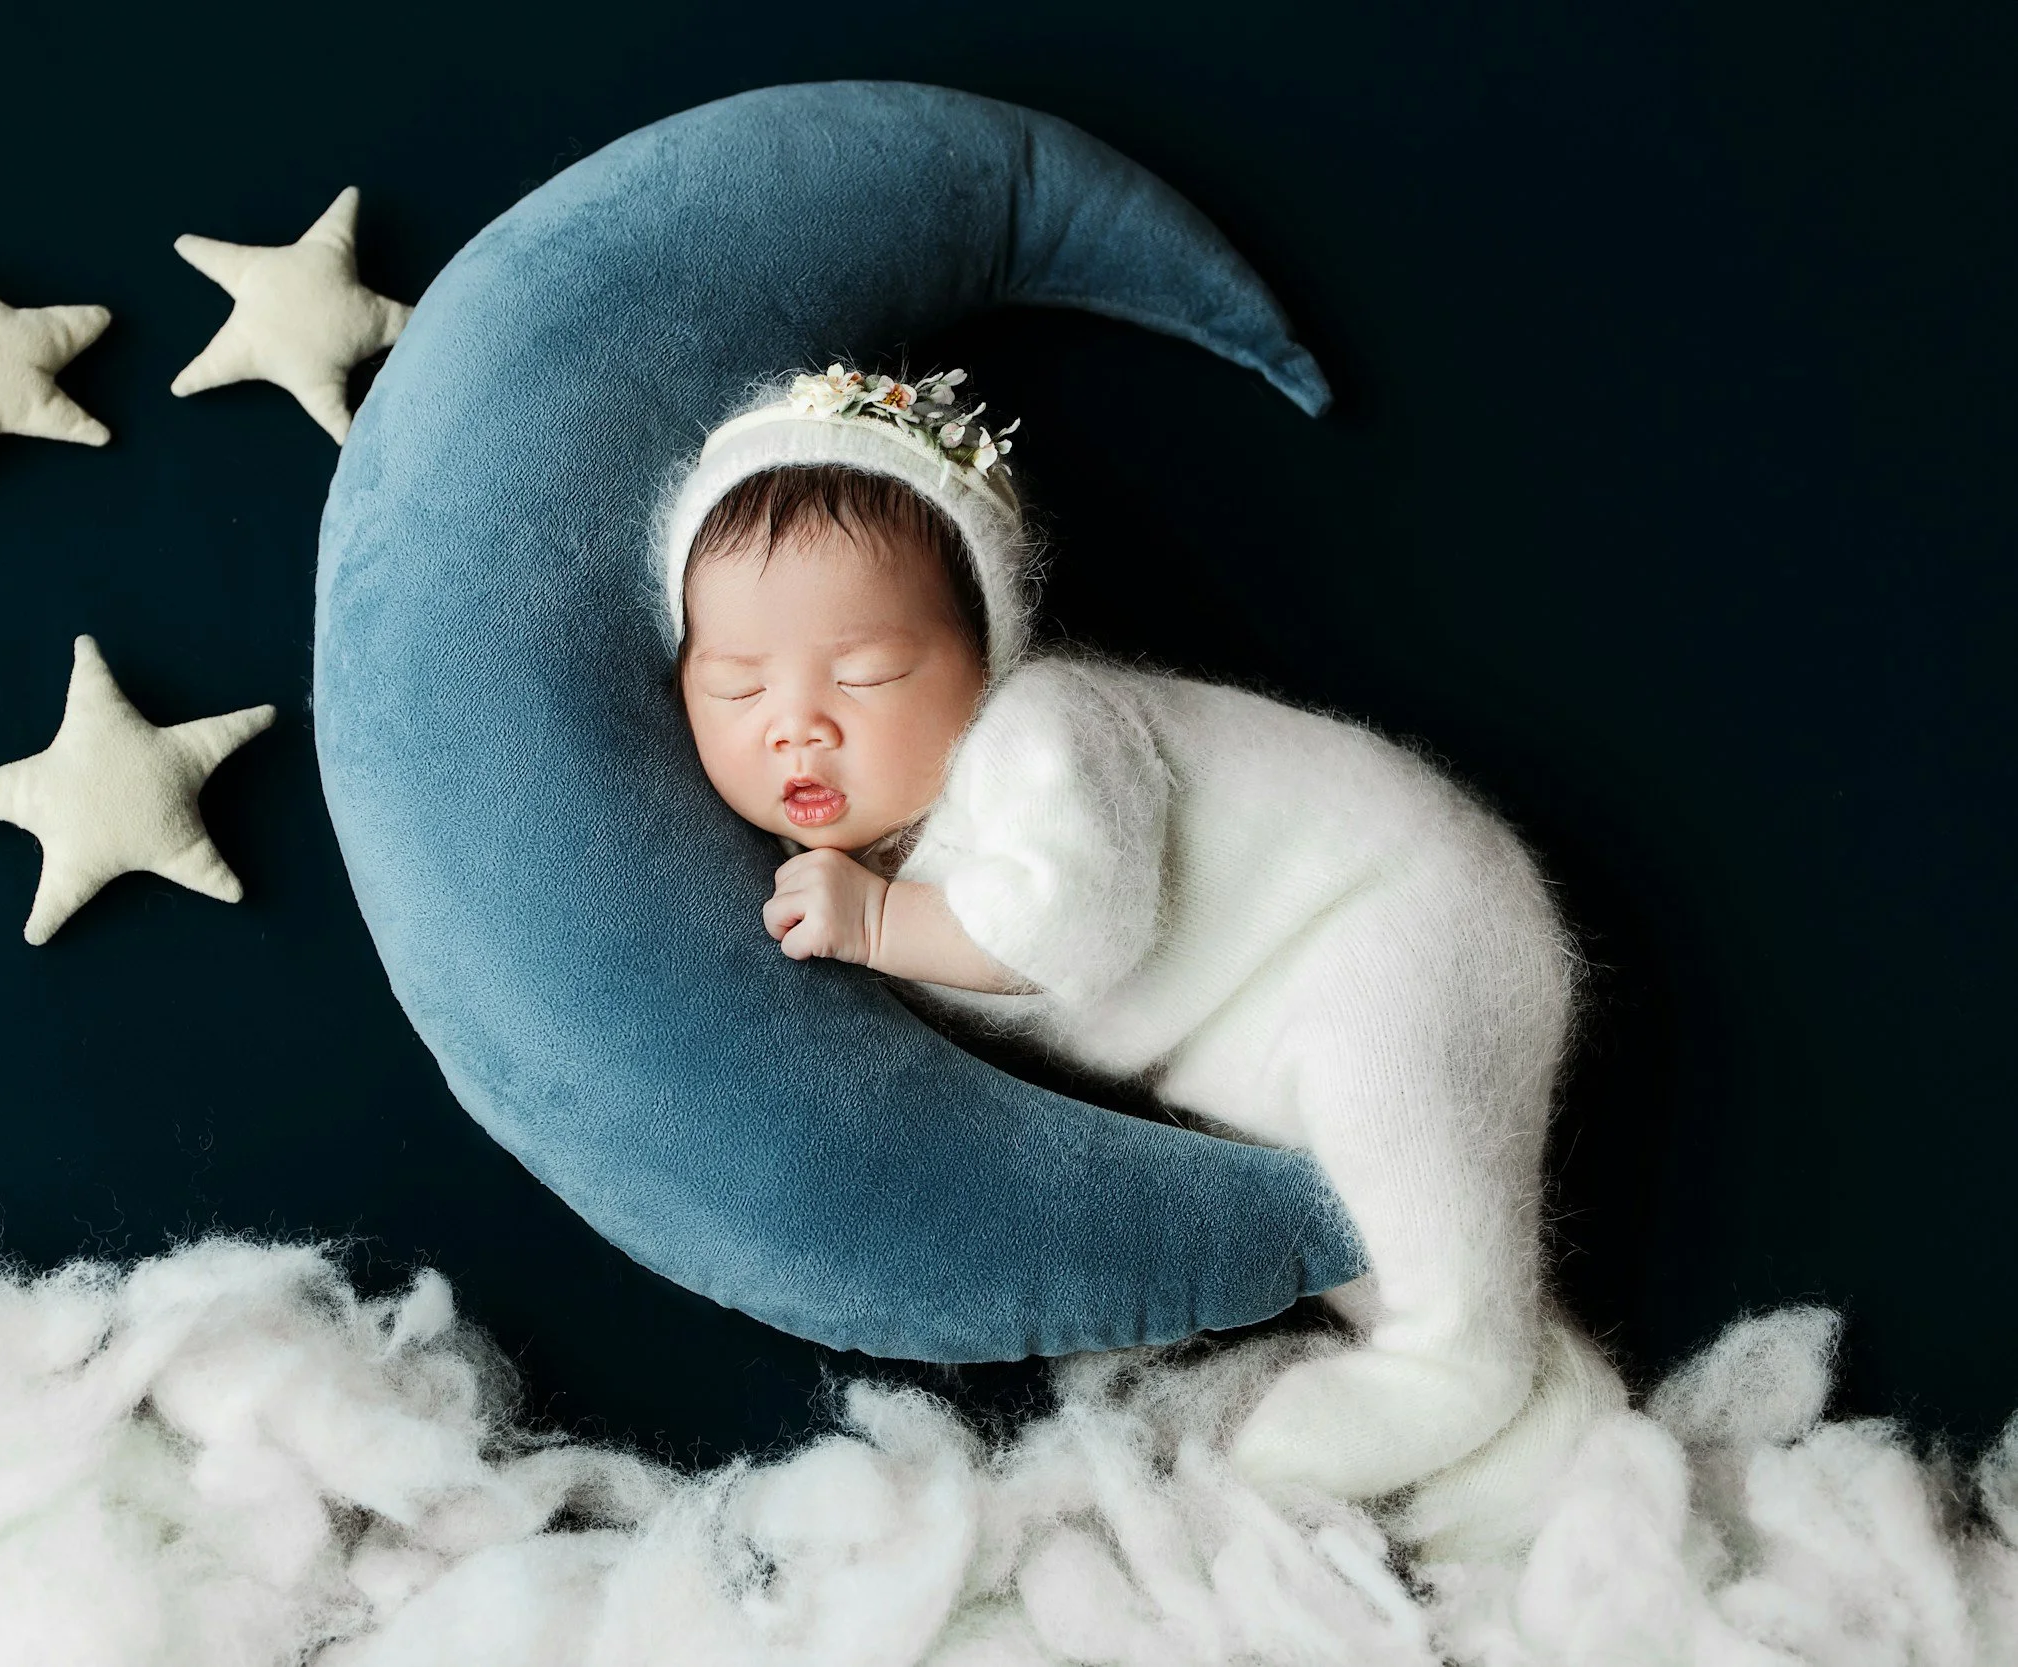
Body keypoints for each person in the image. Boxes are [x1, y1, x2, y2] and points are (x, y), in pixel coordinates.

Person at [656, 364, 1625, 1553]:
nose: (796, 720)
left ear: (983, 655)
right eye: (735, 683)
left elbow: (1073, 929)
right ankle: (1504, 1410)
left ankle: (1458, 1358)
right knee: (1370, 1201)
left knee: (1397, 1111)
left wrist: (874, 925)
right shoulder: (877, 824)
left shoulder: (1042, 732)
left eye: (865, 674)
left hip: (1393, 905)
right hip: (1237, 1021)